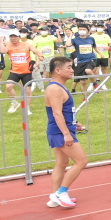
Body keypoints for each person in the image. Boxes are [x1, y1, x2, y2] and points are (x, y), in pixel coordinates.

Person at [44, 57, 86, 209]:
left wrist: (74, 123)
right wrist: (66, 134)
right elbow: (57, 113)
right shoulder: (55, 88)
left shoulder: (60, 87)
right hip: (60, 132)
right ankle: (61, 192)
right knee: (81, 161)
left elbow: (64, 112)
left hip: (62, 130)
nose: (72, 70)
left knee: (61, 164)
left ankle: (54, 196)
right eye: (69, 67)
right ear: (58, 70)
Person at [3, 32, 36, 113]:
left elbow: (37, 52)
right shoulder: (9, 46)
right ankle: (14, 102)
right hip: (15, 71)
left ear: (19, 37)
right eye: (11, 37)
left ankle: (27, 108)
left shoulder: (26, 45)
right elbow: (2, 51)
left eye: (15, 37)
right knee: (8, 86)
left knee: (27, 90)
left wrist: (39, 59)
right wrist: (1, 40)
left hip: (26, 71)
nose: (13, 38)